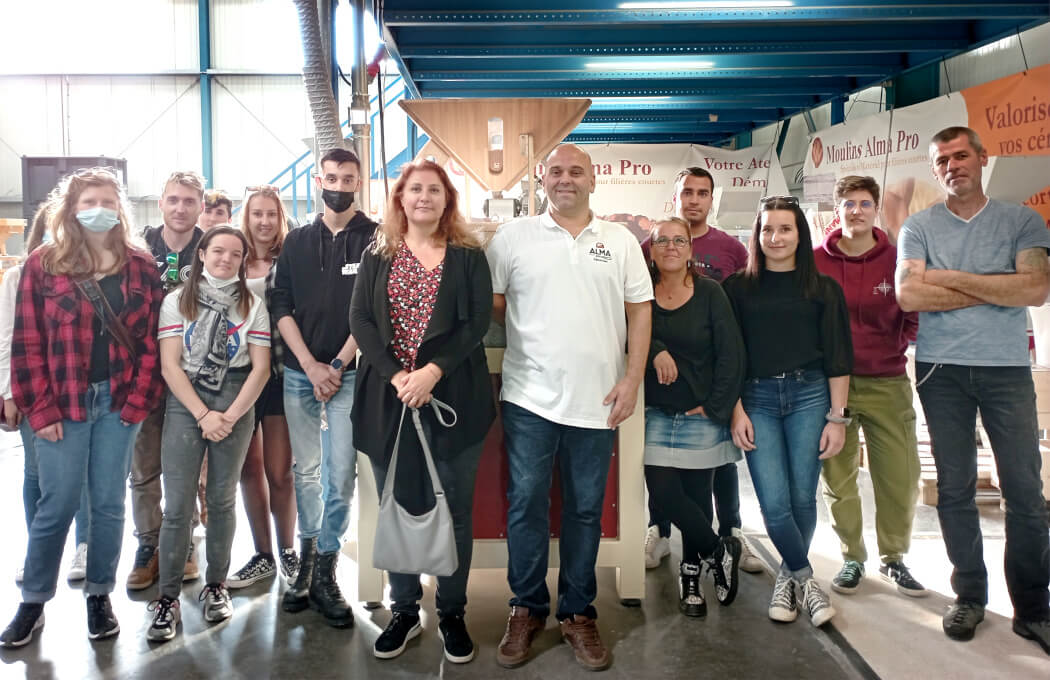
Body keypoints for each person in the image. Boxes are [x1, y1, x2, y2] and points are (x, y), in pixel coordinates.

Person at [486, 144, 653, 671]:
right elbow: (493, 300)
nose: (565, 179)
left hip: (598, 402)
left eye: (575, 171)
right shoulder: (513, 238)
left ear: (594, 180)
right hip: (529, 398)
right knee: (526, 505)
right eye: (555, 171)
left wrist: (632, 377)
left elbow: (640, 310)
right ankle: (526, 608)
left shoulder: (620, 241)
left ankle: (578, 613)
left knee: (585, 510)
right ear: (541, 179)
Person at [896, 126, 1050, 652]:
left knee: (1025, 493)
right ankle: (969, 597)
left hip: (1005, 370)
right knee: (955, 489)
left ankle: (1033, 609)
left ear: (982, 159)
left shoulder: (1022, 220)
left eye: (961, 156)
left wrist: (950, 277)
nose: (952, 166)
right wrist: (993, 287)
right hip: (941, 372)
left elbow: (1033, 288)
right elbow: (909, 297)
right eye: (942, 160)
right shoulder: (918, 226)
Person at [0, 168, 164, 647]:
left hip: (118, 402)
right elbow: (27, 342)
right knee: (58, 504)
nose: (101, 208)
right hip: (62, 403)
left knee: (110, 505)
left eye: (109, 201)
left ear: (121, 209)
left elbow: (151, 341)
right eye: (90, 200)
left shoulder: (139, 265)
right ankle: (33, 601)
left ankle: (99, 595)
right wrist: (40, 410)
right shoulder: (42, 264)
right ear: (70, 209)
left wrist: (138, 401)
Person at [350, 159, 495, 664]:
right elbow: (361, 319)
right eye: (415, 190)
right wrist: (397, 375)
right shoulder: (379, 253)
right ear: (400, 199)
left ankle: (452, 612)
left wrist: (432, 372)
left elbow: (476, 322)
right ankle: (405, 610)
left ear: (447, 200)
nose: (424, 198)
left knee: (454, 508)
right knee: (399, 504)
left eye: (434, 190)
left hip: (454, 398)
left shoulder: (468, 256)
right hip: (389, 403)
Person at [724, 195, 853, 628]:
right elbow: (728, 355)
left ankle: (786, 577)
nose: (775, 237)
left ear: (800, 233)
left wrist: (838, 418)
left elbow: (838, 355)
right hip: (756, 399)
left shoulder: (823, 289)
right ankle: (806, 579)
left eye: (785, 228)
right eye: (767, 229)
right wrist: (735, 408)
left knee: (802, 495)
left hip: (810, 397)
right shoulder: (737, 288)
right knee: (774, 502)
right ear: (756, 235)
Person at [145, 226, 271, 642]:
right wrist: (202, 414)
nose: (225, 259)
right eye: (218, 251)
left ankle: (215, 586)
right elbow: (170, 366)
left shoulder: (253, 305)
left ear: (242, 260)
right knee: (178, 503)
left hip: (236, 396)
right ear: (202, 254)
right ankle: (167, 599)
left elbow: (261, 368)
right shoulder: (175, 303)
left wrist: (230, 416)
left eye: (235, 254)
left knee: (221, 498)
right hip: (187, 399)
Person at [270, 147, 377, 628]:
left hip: (349, 374)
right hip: (299, 373)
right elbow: (280, 305)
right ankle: (306, 565)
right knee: (306, 470)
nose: (338, 184)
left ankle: (329, 568)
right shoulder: (296, 241)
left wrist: (335, 364)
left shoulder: (375, 239)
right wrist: (311, 365)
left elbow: (373, 311)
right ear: (318, 179)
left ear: (359, 181)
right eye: (331, 176)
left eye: (348, 177)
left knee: (341, 474)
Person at [640, 167, 761, 574]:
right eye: (686, 192)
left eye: (702, 193)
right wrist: (655, 349)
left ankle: (726, 537)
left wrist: (724, 404)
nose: (694, 199)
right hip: (658, 402)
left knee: (713, 479)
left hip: (707, 392)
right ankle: (666, 533)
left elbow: (735, 336)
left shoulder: (728, 255)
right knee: (662, 483)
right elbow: (628, 320)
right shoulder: (644, 263)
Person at [814, 176, 926, 598]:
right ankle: (851, 557)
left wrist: (894, 345)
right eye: (848, 203)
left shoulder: (898, 258)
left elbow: (913, 311)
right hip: (830, 387)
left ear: (875, 209)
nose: (856, 211)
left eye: (864, 203)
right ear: (837, 210)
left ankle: (894, 557)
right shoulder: (816, 262)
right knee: (838, 476)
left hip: (886, 381)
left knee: (898, 475)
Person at [643, 217, 746, 618]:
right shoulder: (640, 292)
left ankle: (691, 575)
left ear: (690, 249)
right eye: (662, 240)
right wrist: (656, 350)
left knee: (699, 497)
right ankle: (720, 551)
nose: (671, 246)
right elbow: (625, 328)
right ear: (651, 249)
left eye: (679, 240)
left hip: (702, 414)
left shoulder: (710, 293)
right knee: (665, 494)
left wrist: (716, 405)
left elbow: (731, 354)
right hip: (655, 412)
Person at [2, 201, 91, 585]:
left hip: (80, 389)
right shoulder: (17, 277)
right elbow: (9, 339)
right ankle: (37, 552)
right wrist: (9, 394)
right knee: (37, 472)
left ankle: (85, 546)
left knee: (85, 472)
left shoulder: (88, 276)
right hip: (33, 390)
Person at [128, 171, 206, 591]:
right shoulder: (136, 248)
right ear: (160, 203)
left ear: (201, 206)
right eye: (173, 200)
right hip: (142, 373)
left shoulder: (211, 249)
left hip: (190, 375)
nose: (180, 208)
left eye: (189, 201)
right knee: (144, 467)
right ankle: (148, 543)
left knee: (183, 464)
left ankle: (183, 542)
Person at [227, 185, 299, 588]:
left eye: (272, 213)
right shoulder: (231, 257)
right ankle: (263, 554)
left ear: (280, 216)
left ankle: (288, 550)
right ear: (247, 216)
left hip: (279, 373)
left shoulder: (289, 260)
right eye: (257, 213)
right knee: (248, 469)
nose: (265, 221)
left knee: (279, 470)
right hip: (236, 377)